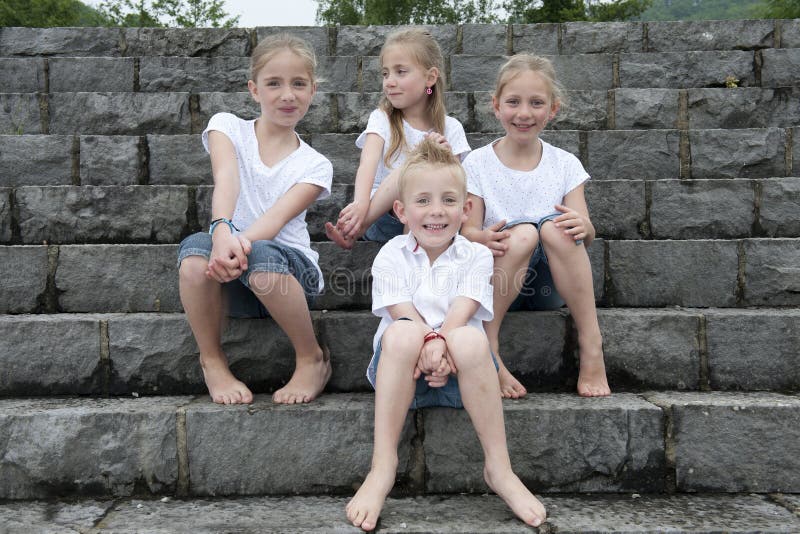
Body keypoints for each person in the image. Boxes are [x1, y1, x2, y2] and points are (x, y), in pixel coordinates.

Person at [345, 138, 546, 531]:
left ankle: (499, 469)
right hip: (404, 374)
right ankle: (383, 467)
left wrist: (440, 344)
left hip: (462, 375)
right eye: (423, 201)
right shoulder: (391, 254)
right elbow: (401, 310)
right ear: (400, 211)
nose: (436, 211)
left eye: (449, 200)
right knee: (402, 334)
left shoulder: (477, 255)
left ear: (466, 208)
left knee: (470, 337)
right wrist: (429, 342)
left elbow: (463, 312)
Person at [176, 34, 332, 405]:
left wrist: (235, 245)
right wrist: (221, 233)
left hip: (289, 276)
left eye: (298, 84)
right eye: (273, 83)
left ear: (312, 90)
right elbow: (226, 181)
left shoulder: (315, 164)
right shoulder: (226, 127)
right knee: (194, 256)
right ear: (254, 89)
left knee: (261, 255)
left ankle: (310, 358)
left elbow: (275, 221)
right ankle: (212, 362)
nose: (287, 94)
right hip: (229, 274)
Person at [461, 54, 611, 399]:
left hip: (549, 288)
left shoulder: (565, 164)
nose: (524, 113)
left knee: (556, 228)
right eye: (513, 102)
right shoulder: (478, 164)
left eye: (536, 103)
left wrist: (583, 226)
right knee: (524, 232)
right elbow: (467, 231)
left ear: (553, 109)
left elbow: (586, 232)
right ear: (496, 106)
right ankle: (489, 345)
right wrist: (483, 237)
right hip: (496, 282)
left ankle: (591, 344)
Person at [325, 27, 470, 249]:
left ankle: (412, 265)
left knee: (424, 172)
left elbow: (456, 187)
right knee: (409, 169)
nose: (389, 82)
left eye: (400, 72)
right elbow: (367, 164)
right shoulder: (382, 118)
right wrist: (361, 205)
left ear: (430, 77)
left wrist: (443, 157)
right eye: (385, 73)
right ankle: (360, 227)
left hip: (431, 217)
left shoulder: (452, 128)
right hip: (383, 216)